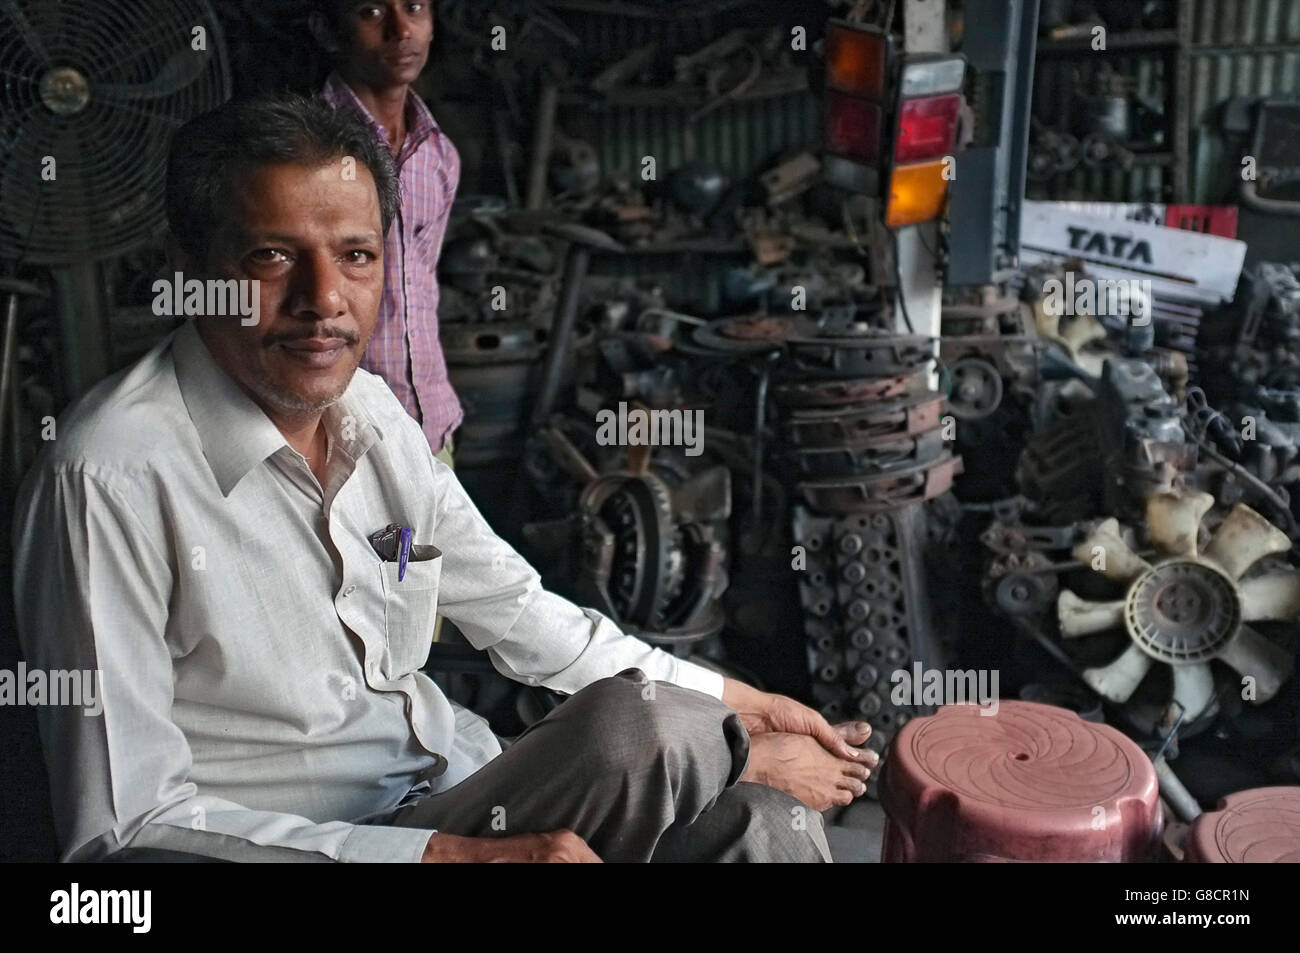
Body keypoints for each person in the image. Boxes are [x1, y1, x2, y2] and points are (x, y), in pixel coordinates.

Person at [11, 96, 876, 863]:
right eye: (273, 256)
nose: (324, 299)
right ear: (190, 265)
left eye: (355, 255)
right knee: (645, 729)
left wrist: (748, 701)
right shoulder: (108, 477)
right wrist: (438, 856)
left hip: (457, 781)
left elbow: (527, 616)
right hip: (324, 844)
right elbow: (121, 828)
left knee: (762, 825)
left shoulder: (375, 416)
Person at [311, 0, 461, 465]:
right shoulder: (303, 148)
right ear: (328, 30)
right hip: (338, 434)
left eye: (414, 7)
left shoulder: (438, 155)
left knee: (438, 541)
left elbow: (420, 292)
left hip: (432, 428)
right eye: (372, 12)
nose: (401, 30)